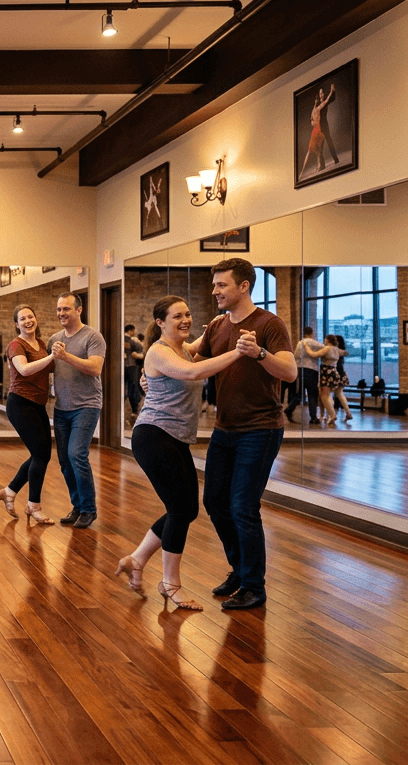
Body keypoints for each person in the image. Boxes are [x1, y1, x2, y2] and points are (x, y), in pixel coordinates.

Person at [117, 296, 242, 610]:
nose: (185, 320)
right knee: (179, 509)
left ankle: (137, 559)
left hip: (173, 439)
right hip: (154, 436)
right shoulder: (160, 352)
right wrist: (237, 352)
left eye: (187, 314)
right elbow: (192, 373)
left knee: (187, 510)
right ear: (160, 322)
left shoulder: (183, 348)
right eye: (177, 317)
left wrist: (224, 319)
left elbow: (204, 340)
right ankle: (170, 584)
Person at [186, 258, 296, 610]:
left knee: (242, 506)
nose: (214, 291)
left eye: (221, 285)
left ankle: (253, 585)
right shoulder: (217, 325)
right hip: (225, 429)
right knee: (215, 502)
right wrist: (153, 371)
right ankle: (239, 568)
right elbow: (192, 361)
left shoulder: (268, 323)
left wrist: (259, 353)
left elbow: (290, 372)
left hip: (260, 429)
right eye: (214, 284)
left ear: (243, 286)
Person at [49, 293, 107, 529]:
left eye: (67, 309)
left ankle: (89, 510)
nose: (62, 313)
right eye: (59, 309)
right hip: (61, 407)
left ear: (79, 310)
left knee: (76, 455)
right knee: (64, 461)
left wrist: (65, 356)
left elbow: (95, 368)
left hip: (87, 406)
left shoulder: (93, 336)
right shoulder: (54, 338)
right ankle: (78, 506)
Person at [0, 305, 55, 526]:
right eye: (23, 318)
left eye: (31, 316)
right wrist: (51, 358)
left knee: (42, 455)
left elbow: (50, 368)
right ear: (17, 324)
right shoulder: (15, 345)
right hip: (20, 404)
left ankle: (10, 492)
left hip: (38, 404)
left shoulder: (40, 344)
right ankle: (34, 506)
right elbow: (25, 370)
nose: (28, 320)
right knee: (40, 455)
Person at [286, 326, 323, 424]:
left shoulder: (299, 343)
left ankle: (289, 409)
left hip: (300, 370)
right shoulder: (311, 342)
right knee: (312, 394)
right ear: (311, 333)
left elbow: (295, 356)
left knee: (300, 394)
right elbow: (326, 349)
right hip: (311, 370)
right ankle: (313, 417)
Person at [312, 334, 345, 427]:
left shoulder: (327, 348)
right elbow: (345, 352)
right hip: (333, 373)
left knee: (324, 395)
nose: (324, 340)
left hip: (326, 373)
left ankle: (332, 414)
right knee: (325, 395)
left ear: (328, 340)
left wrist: (306, 347)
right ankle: (324, 415)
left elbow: (314, 355)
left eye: (325, 339)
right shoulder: (336, 349)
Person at [124, 325, 144, 419]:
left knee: (122, 389)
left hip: (121, 367)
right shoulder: (133, 341)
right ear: (131, 331)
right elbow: (141, 349)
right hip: (131, 366)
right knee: (133, 388)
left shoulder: (117, 339)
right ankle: (134, 410)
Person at [331, 335, 353, 423]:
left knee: (328, 395)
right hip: (341, 373)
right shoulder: (341, 352)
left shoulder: (334, 351)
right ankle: (347, 413)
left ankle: (332, 415)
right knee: (339, 395)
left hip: (334, 374)